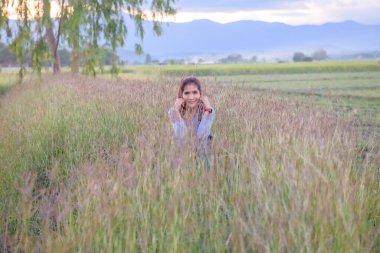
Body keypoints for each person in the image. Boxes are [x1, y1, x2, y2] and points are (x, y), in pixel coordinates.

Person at [168, 76, 215, 169]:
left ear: (200, 94)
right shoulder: (173, 112)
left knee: (204, 144)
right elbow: (182, 135)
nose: (191, 97)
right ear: (181, 95)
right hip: (182, 153)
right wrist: (176, 112)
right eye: (187, 93)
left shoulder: (209, 110)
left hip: (203, 153)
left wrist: (206, 111)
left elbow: (202, 135)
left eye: (195, 92)